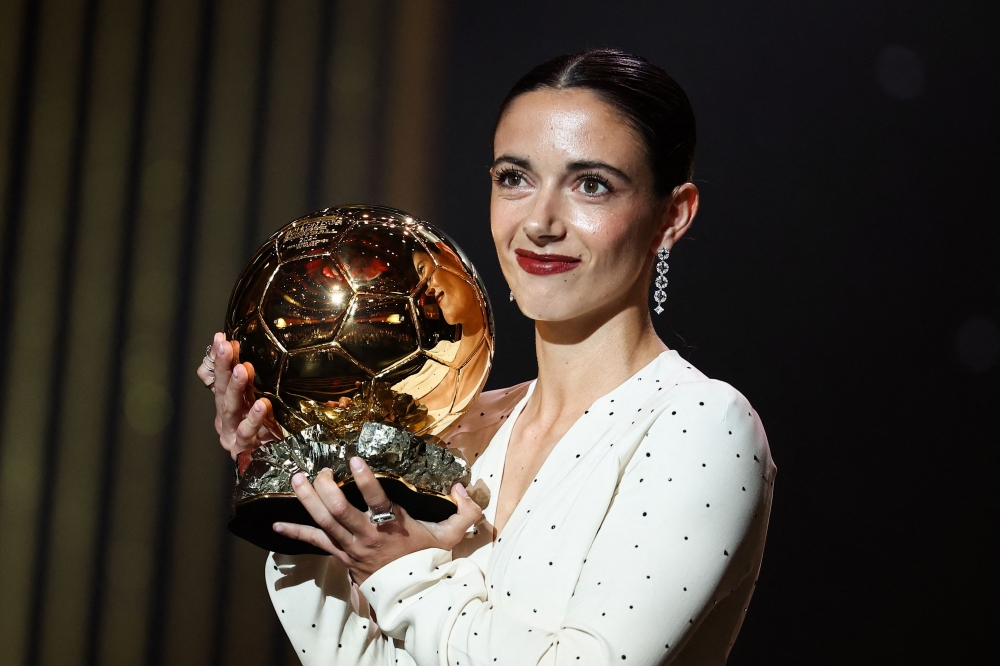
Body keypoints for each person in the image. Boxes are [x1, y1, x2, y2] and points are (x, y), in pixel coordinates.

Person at [197, 48, 775, 665]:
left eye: (592, 185)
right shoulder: (459, 428)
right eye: (515, 178)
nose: (540, 222)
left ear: (672, 216)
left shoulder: (700, 424)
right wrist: (286, 465)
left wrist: (406, 571)